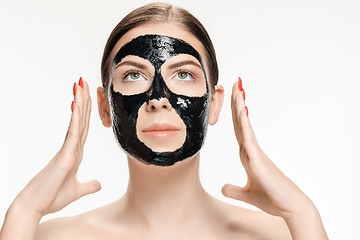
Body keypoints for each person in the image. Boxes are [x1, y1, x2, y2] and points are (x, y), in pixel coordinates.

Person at [0, 2, 328, 239]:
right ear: (104, 106)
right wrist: (24, 210)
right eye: (132, 75)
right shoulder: (49, 237)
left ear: (214, 104)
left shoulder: (283, 234)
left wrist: (303, 213)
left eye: (184, 74)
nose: (159, 99)